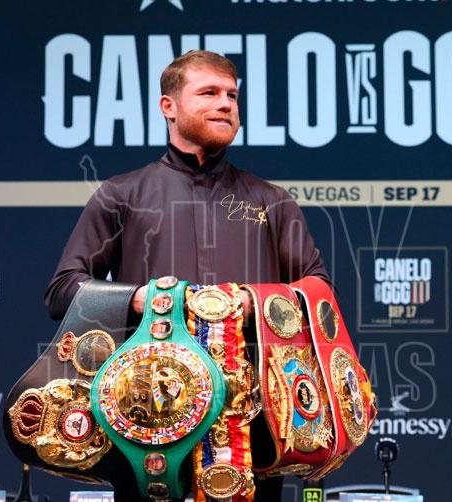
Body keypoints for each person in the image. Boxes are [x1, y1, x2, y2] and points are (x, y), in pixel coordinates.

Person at [44, 50, 330, 501]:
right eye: (209, 93)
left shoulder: (272, 201)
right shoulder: (121, 194)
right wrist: (139, 299)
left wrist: (254, 303)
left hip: (252, 426)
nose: (226, 104)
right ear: (169, 106)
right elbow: (63, 290)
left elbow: (319, 292)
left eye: (232, 95)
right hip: (145, 417)